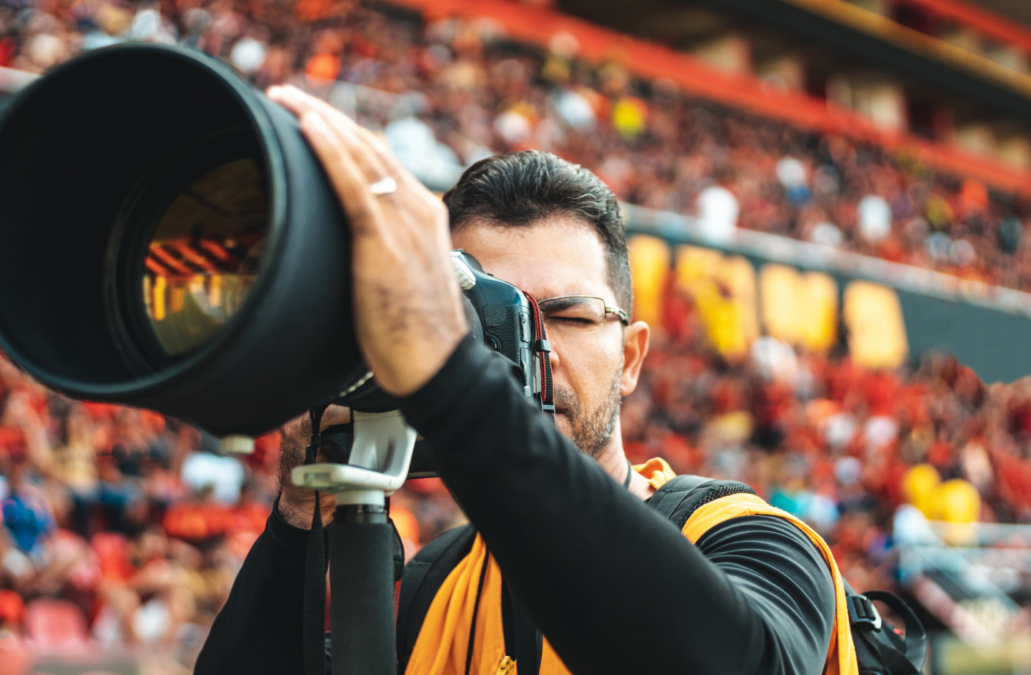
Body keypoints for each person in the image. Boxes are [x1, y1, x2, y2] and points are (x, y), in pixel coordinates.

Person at [195, 86, 853, 675]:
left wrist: (453, 379)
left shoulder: (752, 540)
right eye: (491, 316)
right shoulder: (437, 584)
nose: (531, 348)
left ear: (630, 358)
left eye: (566, 315)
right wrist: (297, 518)